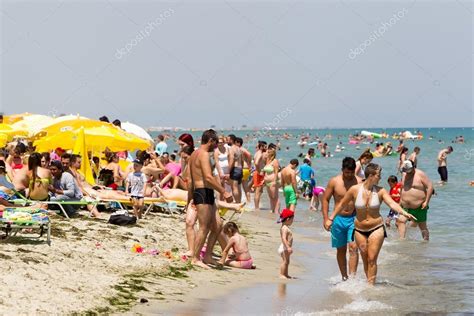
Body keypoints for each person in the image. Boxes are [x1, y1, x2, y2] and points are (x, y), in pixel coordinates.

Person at [326, 163, 416, 285]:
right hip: (359, 230)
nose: (380, 177)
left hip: (376, 228)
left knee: (372, 258)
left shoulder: (381, 191)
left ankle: (370, 287)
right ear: (371, 175)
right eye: (378, 175)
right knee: (365, 257)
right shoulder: (354, 189)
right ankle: (369, 281)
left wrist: (403, 212)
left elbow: (392, 204)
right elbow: (341, 204)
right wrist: (330, 218)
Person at [188, 129, 233, 268]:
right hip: (202, 192)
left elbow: (189, 179)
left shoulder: (194, 154)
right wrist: (223, 191)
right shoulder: (203, 154)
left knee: (218, 225)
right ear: (210, 141)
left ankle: (207, 255)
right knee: (204, 227)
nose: (217, 145)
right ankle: (195, 258)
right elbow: (208, 177)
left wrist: (189, 198)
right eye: (216, 142)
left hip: (204, 192)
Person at [322, 157, 360, 281]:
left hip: (354, 219)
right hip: (338, 219)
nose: (349, 175)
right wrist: (326, 218)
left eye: (351, 172)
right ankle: (344, 277)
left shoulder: (359, 182)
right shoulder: (334, 182)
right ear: (342, 170)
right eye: (346, 172)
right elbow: (325, 199)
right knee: (341, 249)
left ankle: (353, 278)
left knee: (353, 247)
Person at [399, 160, 434, 240]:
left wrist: (426, 202)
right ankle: (401, 241)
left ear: (413, 167)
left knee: (422, 226)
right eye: (406, 170)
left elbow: (430, 187)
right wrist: (400, 201)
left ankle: (425, 243)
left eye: (409, 170)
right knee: (401, 221)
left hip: (419, 207)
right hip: (405, 207)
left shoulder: (420, 174)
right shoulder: (404, 174)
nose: (407, 172)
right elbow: (402, 188)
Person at [263, 143, 280, 214]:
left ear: (272, 153)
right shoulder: (267, 161)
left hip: (273, 181)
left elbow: (276, 172)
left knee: (275, 197)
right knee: (270, 197)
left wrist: (274, 182)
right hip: (267, 182)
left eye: (269, 152)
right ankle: (272, 210)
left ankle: (276, 211)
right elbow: (265, 172)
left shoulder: (275, 161)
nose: (267, 153)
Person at [278, 208, 294, 279]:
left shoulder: (285, 227)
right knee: (285, 261)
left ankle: (286, 274)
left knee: (287, 261)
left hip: (285, 247)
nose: (292, 221)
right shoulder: (284, 228)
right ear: (288, 219)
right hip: (284, 247)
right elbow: (284, 238)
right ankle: (282, 274)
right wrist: (288, 247)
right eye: (292, 220)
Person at [228, 136, 244, 203]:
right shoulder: (239, 149)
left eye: (228, 140)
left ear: (232, 140)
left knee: (234, 188)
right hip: (240, 169)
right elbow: (242, 160)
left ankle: (237, 204)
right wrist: (241, 169)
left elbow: (231, 161)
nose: (227, 141)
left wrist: (228, 171)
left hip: (235, 169)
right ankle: (239, 202)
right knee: (238, 187)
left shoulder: (232, 149)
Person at [253, 141, 267, 211]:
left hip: (258, 173)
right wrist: (259, 171)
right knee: (258, 191)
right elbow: (256, 163)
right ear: (261, 147)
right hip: (259, 173)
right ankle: (256, 208)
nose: (266, 148)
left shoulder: (257, 153)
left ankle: (256, 206)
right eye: (265, 146)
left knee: (258, 191)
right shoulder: (260, 154)